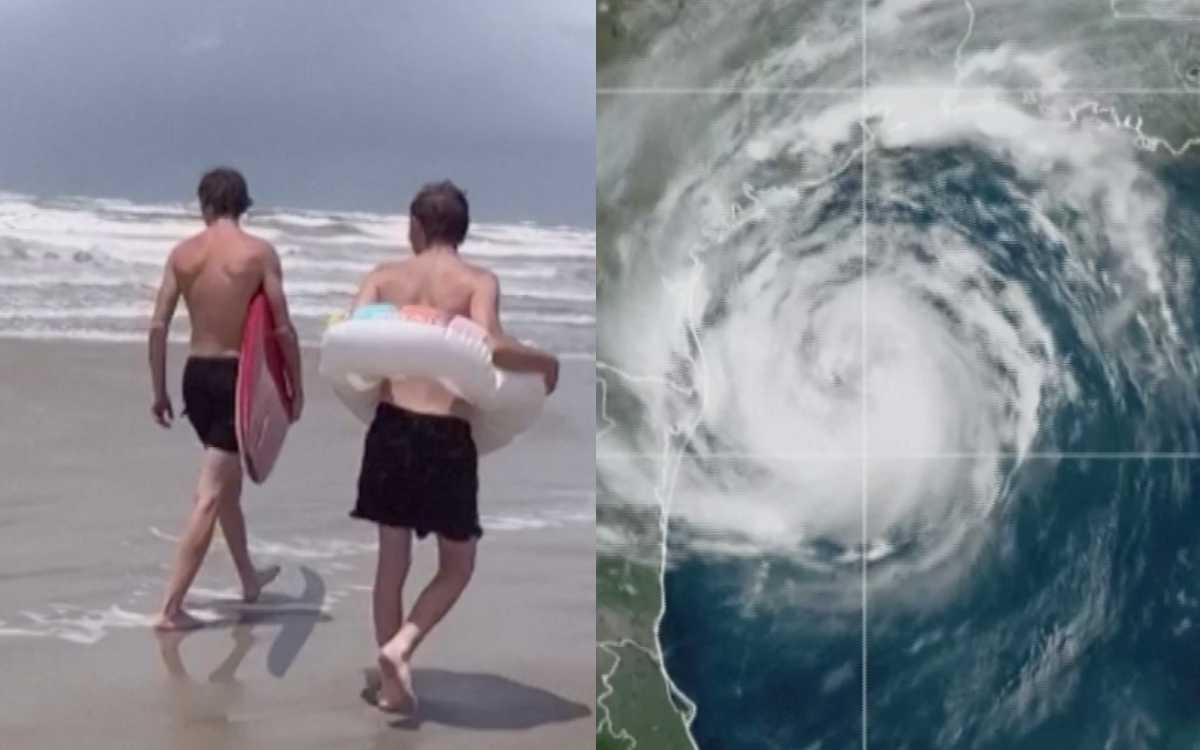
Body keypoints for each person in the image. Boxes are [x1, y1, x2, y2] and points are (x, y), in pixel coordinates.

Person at [349, 180, 559, 713]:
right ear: (461, 230)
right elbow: (490, 347)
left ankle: (390, 683)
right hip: (446, 435)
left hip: (391, 428)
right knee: (458, 565)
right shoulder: (476, 281)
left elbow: (353, 339)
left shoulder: (383, 277)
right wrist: (545, 362)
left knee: (390, 564)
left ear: (415, 226)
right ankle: (402, 648)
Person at [147, 167, 304, 631]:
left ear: (205, 204)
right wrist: (295, 388)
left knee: (227, 484)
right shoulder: (258, 254)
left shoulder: (183, 254)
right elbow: (281, 327)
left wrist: (158, 390)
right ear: (243, 205)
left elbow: (158, 325)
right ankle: (172, 608)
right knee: (211, 495)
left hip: (195, 376)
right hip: (238, 380)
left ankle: (249, 580)